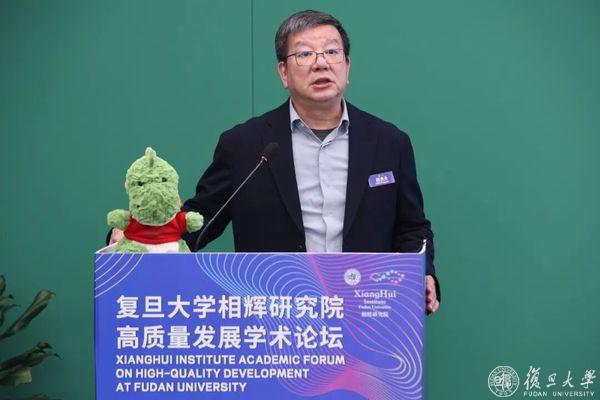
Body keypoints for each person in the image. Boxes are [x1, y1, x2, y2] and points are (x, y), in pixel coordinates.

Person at [110, 10, 440, 314]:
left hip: (364, 314)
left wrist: (423, 272)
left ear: (347, 65)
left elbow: (412, 227)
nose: (321, 63)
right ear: (283, 72)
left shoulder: (389, 142)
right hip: (273, 319)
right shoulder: (244, 145)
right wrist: (140, 233)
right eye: (305, 54)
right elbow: (202, 220)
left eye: (332, 51)